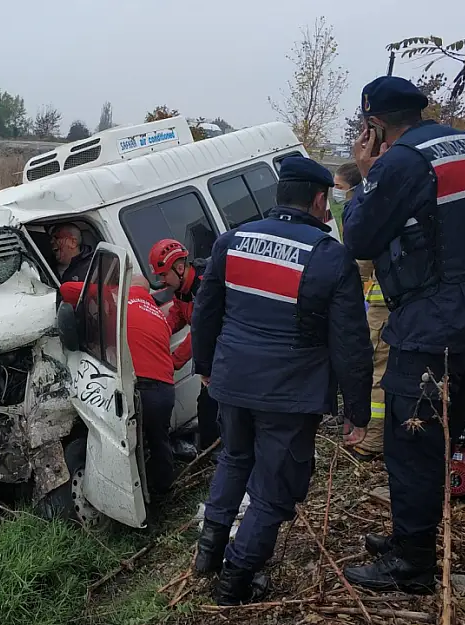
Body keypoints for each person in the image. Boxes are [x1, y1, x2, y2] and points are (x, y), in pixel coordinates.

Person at [341, 76, 465, 593]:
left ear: (375, 126)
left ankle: (413, 562)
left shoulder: (398, 163)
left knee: (412, 439)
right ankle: (412, 533)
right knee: (445, 425)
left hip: (432, 321)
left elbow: (358, 238)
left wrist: (362, 177)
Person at [190, 156, 373, 606]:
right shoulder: (329, 256)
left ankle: (208, 554)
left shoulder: (232, 242)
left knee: (234, 460)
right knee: (273, 488)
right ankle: (234, 582)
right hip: (290, 395)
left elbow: (205, 311)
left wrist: (206, 366)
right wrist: (358, 410)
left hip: (231, 381)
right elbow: (351, 343)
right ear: (317, 200)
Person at [58, 275, 177, 499]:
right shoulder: (158, 315)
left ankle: (132, 503)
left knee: (129, 448)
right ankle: (164, 492)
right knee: (159, 441)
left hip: (139, 387)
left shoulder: (118, 298)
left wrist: (111, 286)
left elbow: (67, 289)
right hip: (165, 389)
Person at [333, 162, 387, 461]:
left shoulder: (365, 212)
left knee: (377, 370)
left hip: (382, 307)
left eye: (339, 188)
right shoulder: (374, 205)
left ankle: (375, 438)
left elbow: (360, 263)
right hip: (384, 303)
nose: (335, 195)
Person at [147, 238, 220, 453]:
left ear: (179, 268)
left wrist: (171, 363)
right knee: (209, 405)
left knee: (209, 406)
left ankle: (212, 454)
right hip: (211, 352)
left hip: (225, 351)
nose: (162, 282)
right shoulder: (183, 288)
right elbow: (178, 314)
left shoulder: (204, 286)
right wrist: (158, 332)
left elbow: (200, 333)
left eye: (163, 275)